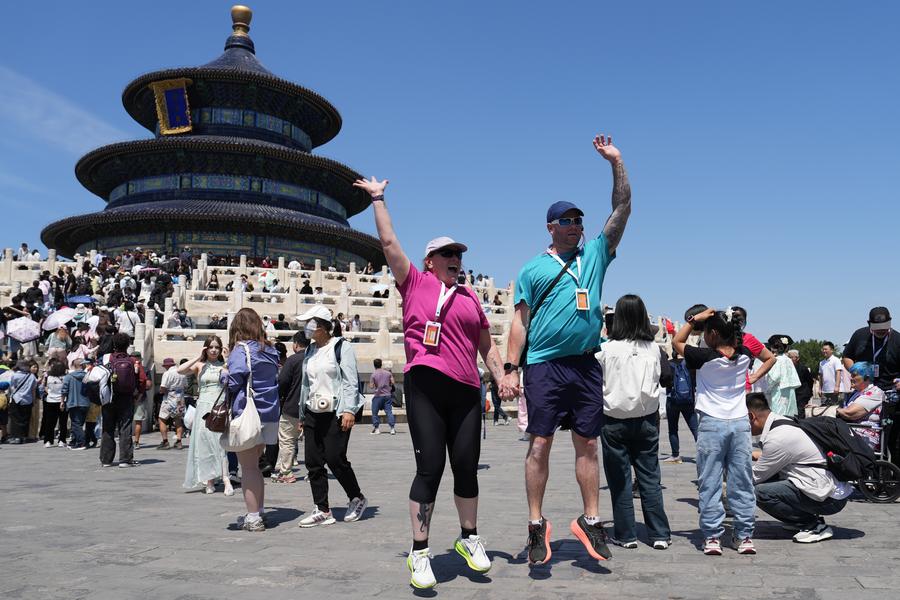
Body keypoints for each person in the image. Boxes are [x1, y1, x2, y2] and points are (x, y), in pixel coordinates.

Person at [355, 174, 506, 588]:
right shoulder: (414, 283)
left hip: (466, 390)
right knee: (431, 467)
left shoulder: (471, 297)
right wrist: (378, 199)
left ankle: (469, 538)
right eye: (447, 253)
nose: (456, 258)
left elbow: (485, 343)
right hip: (426, 385)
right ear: (430, 261)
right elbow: (389, 244)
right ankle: (420, 552)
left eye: (458, 253)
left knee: (466, 467)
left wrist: (502, 376)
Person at [496, 132, 631, 566]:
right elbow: (520, 322)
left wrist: (616, 162)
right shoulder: (533, 269)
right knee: (539, 444)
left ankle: (591, 520)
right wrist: (510, 369)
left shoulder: (596, 255)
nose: (576, 225)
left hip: (586, 365)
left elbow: (622, 208)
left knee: (588, 444)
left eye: (579, 220)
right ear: (551, 227)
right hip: (544, 366)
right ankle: (536, 524)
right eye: (567, 220)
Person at [672, 307, 775, 555]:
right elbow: (769, 357)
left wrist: (694, 320)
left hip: (712, 423)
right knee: (742, 481)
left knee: (710, 481)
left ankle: (712, 536)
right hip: (739, 423)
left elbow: (677, 341)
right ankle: (744, 535)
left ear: (714, 334)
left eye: (706, 332)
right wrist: (754, 377)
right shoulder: (745, 354)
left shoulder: (703, 356)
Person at [595, 294, 672, 549]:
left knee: (620, 481)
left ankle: (626, 535)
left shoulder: (605, 350)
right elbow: (667, 378)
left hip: (613, 420)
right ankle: (659, 534)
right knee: (650, 478)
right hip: (646, 420)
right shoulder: (655, 349)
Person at [295, 305, 368, 528]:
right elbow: (306, 384)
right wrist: (302, 414)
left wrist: (349, 410)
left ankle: (356, 497)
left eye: (310, 323)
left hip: (336, 412)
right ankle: (322, 509)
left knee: (335, 458)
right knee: (313, 462)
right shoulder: (310, 350)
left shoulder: (341, 347)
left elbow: (350, 381)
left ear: (322, 326)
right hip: (312, 411)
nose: (307, 328)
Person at [748, 393, 852, 543]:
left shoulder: (778, 437)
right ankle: (800, 521)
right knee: (768, 481)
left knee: (758, 492)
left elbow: (754, 477)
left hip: (829, 498)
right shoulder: (783, 421)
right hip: (827, 487)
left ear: (751, 416)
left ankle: (813, 525)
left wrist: (726, 473)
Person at [226, 307, 282, 532]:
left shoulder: (241, 349)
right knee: (255, 467)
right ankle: (258, 511)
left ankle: (253, 517)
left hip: (249, 412)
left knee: (248, 468)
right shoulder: (270, 350)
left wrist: (222, 375)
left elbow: (234, 381)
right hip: (270, 412)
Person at [841, 307, 900, 466]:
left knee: (891, 437)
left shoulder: (897, 339)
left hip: (889, 394)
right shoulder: (860, 335)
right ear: (869, 324)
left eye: (884, 328)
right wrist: (856, 373)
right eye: (877, 328)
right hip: (864, 390)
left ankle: (891, 471)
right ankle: (862, 465)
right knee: (856, 426)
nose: (881, 331)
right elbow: (847, 356)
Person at [180, 336, 234, 496]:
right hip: (203, 407)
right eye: (211, 347)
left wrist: (228, 360)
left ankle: (226, 479)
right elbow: (180, 370)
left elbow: (230, 381)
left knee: (220, 444)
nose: (214, 350)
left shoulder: (224, 365)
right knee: (204, 445)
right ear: (206, 348)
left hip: (219, 408)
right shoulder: (200, 365)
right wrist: (198, 356)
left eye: (217, 347)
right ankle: (209, 480)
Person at [100, 333, 142, 467]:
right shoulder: (133, 361)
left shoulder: (106, 359)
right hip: (126, 397)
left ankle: (106, 459)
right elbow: (141, 380)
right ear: (128, 345)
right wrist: (137, 394)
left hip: (109, 397)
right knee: (125, 427)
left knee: (108, 428)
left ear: (114, 344)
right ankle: (125, 459)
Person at [274, 332, 309, 483]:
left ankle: (286, 472)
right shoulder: (315, 358)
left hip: (292, 406)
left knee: (287, 440)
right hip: (314, 408)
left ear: (295, 344)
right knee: (313, 442)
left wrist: (280, 397)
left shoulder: (293, 360)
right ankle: (314, 471)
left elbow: (282, 382)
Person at [835, 362, 884, 451]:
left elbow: (849, 413)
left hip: (866, 435)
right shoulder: (856, 393)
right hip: (852, 429)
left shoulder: (875, 392)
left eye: (854, 375)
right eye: (851, 375)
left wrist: (832, 410)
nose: (851, 378)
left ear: (866, 378)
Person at [663, 349, 699, 464]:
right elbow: (695, 381)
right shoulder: (689, 364)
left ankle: (675, 455)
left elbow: (664, 381)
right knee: (695, 428)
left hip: (672, 400)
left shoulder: (669, 364)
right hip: (688, 400)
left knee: (673, 429)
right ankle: (703, 452)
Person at [764, 336, 801, 416]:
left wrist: (767, 388)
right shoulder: (788, 360)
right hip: (790, 390)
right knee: (789, 413)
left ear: (774, 349)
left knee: (779, 414)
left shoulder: (777, 360)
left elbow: (773, 378)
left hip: (779, 390)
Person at [61, 358, 90, 450]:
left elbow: (64, 390)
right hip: (85, 403)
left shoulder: (69, 377)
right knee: (79, 423)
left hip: (73, 402)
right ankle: (74, 441)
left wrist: (62, 401)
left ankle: (81, 443)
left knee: (76, 424)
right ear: (81, 365)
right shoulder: (87, 376)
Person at [157, 357, 186, 449]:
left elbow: (163, 387)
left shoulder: (167, 373)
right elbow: (185, 385)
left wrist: (162, 392)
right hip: (180, 399)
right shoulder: (182, 373)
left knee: (162, 419)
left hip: (169, 398)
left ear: (167, 366)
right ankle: (179, 441)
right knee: (178, 419)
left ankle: (165, 441)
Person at [7, 360, 38, 444]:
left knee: (15, 419)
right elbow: (33, 390)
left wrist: (10, 397)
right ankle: (24, 436)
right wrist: (33, 400)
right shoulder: (32, 376)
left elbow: (12, 388)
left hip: (16, 399)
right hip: (28, 399)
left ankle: (16, 437)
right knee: (25, 419)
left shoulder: (15, 375)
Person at [39, 360, 68, 448]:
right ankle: (62, 440)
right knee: (63, 422)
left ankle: (48, 441)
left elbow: (44, 387)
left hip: (50, 400)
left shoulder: (48, 377)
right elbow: (66, 390)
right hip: (62, 401)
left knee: (50, 422)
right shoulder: (65, 377)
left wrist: (50, 393)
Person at [369, 358, 396, 435]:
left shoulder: (373, 374)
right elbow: (393, 382)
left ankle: (377, 429)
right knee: (389, 412)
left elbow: (371, 386)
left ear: (374, 365)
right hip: (387, 395)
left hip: (378, 396)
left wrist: (374, 384)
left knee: (374, 412)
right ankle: (392, 429)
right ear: (381, 364)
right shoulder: (388, 373)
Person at [788, 349, 815, 419]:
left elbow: (810, 381)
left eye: (791, 357)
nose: (789, 359)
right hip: (792, 393)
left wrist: (809, 392)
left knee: (800, 412)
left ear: (797, 358)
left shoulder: (803, 368)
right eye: (789, 357)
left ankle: (801, 424)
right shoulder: (788, 368)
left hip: (802, 393)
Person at [819, 342, 844, 406]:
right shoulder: (821, 363)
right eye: (823, 349)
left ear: (831, 350)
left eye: (826, 349)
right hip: (825, 391)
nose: (824, 351)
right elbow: (821, 376)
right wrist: (820, 389)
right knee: (824, 409)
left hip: (835, 391)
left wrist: (837, 387)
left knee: (836, 409)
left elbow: (838, 373)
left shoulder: (836, 360)